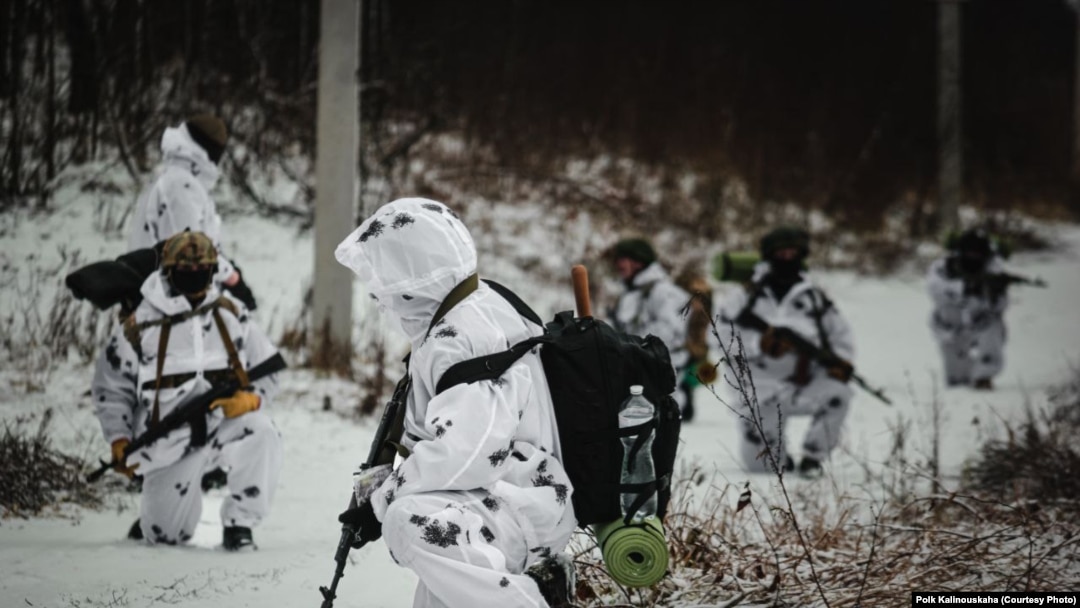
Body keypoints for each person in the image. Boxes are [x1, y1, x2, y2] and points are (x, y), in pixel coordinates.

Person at [334, 198, 578, 608]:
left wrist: (382, 501)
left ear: (411, 274)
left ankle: (535, 599)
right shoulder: (482, 302)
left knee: (408, 519)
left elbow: (465, 455)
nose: (380, 294)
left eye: (386, 276)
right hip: (509, 493)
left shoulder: (460, 337)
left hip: (514, 501)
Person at [91, 231, 283, 550]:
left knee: (263, 431)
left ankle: (240, 523)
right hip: (168, 440)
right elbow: (112, 387)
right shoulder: (141, 325)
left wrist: (251, 399)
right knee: (165, 537)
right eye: (185, 271)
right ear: (168, 271)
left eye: (202, 270)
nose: (195, 277)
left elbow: (268, 366)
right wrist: (120, 438)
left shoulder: (231, 313)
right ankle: (160, 513)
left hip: (222, 425)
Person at [714, 226, 854, 478]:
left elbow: (841, 337)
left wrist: (839, 362)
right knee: (764, 469)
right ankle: (777, 453)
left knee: (839, 394)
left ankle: (813, 455)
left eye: (793, 253)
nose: (787, 259)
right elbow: (718, 337)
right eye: (781, 253)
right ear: (769, 256)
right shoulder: (743, 297)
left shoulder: (814, 298)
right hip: (757, 392)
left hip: (801, 387)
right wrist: (760, 345)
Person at [127, 113, 257, 311]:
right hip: (164, 302)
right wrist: (232, 278)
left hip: (171, 298)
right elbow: (190, 249)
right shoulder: (180, 187)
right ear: (208, 149)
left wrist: (226, 267)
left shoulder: (179, 179)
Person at [607, 238, 693, 420]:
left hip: (661, 378)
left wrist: (632, 343)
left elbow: (671, 333)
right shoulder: (632, 293)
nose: (618, 264)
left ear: (639, 262)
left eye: (623, 259)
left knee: (660, 436)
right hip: (637, 376)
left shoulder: (663, 291)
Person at [926, 227, 1009, 390]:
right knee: (956, 379)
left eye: (978, 252)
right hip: (950, 322)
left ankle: (984, 376)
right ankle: (959, 377)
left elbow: (1001, 305)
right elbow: (933, 288)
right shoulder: (945, 266)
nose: (973, 256)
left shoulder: (993, 268)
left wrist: (991, 293)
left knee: (992, 326)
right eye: (970, 251)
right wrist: (963, 289)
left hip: (980, 317)